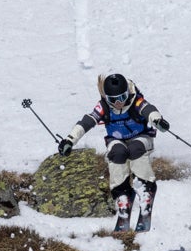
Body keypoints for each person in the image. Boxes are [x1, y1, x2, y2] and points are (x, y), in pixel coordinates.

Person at [62, 72, 168, 231]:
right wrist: (70, 140)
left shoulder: (135, 100)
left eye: (122, 97)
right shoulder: (104, 106)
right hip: (116, 140)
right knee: (117, 153)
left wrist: (157, 119)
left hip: (141, 137)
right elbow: (87, 121)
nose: (119, 103)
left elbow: (148, 109)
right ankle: (122, 195)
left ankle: (146, 190)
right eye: (113, 100)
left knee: (135, 149)